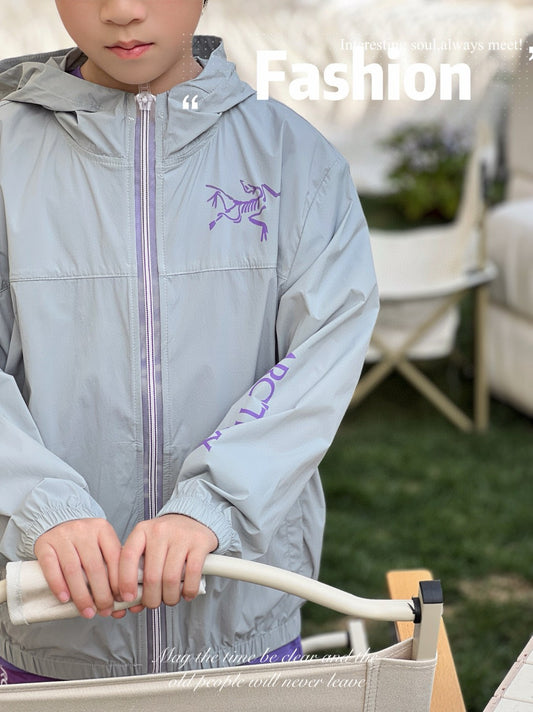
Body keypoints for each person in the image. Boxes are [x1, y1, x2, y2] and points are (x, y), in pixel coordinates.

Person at [0, 0, 378, 682]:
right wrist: (39, 504)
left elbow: (321, 355)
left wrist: (215, 504)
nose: (121, 10)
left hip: (242, 618)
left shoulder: (296, 159)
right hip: (50, 629)